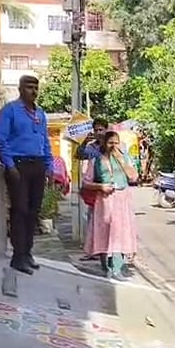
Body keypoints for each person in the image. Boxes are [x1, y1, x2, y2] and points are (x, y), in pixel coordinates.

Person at [0, 75, 55, 275]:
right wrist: (10, 166)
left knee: (33, 211)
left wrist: (49, 166)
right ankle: (17, 256)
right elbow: (0, 141)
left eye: (36, 87)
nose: (33, 91)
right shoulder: (9, 111)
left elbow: (45, 142)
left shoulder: (41, 114)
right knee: (19, 211)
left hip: (37, 165)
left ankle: (27, 253)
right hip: (18, 166)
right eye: (29, 87)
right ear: (20, 89)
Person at [82, 131, 139, 280]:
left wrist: (121, 159)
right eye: (110, 143)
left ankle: (117, 268)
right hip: (104, 201)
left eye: (116, 143)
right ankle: (106, 266)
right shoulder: (96, 161)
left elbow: (133, 177)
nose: (113, 146)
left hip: (122, 199)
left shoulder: (124, 158)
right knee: (104, 232)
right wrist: (101, 187)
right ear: (104, 144)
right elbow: (86, 183)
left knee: (120, 233)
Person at [77, 118, 109, 261]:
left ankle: (108, 250)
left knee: (109, 220)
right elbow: (79, 155)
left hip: (110, 187)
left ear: (106, 130)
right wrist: (84, 141)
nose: (98, 132)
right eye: (96, 130)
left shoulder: (112, 145)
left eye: (101, 129)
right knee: (93, 220)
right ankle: (93, 251)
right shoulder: (91, 147)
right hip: (95, 188)